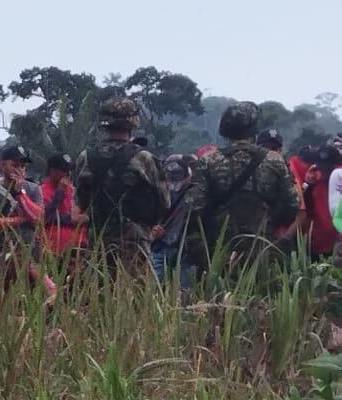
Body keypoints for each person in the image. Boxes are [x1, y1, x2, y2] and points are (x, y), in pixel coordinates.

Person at [186, 102, 298, 273]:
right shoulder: (274, 160)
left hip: (217, 251)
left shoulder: (208, 161)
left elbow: (194, 208)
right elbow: (291, 205)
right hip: (261, 247)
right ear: (254, 130)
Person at [74, 97, 169, 277]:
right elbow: (164, 201)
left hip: (98, 240)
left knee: (98, 289)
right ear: (133, 122)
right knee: (136, 291)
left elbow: (81, 200)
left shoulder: (85, 157)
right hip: (134, 242)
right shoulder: (144, 158)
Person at [150, 155, 195, 284]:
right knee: (153, 285)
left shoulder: (197, 190)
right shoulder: (156, 189)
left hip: (187, 248)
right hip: (161, 245)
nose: (175, 186)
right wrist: (152, 227)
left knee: (185, 288)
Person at [258, 130, 308, 245]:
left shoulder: (289, 176)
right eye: (265, 147)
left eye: (274, 149)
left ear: (280, 151)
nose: (270, 152)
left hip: (277, 236)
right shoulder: (247, 170)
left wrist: (285, 237)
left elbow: (301, 213)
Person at [39, 153, 87, 257]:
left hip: (77, 247)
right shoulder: (41, 191)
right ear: (52, 171)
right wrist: (59, 192)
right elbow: (46, 217)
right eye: (64, 171)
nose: (67, 174)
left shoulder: (71, 190)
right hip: (54, 249)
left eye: (69, 170)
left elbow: (82, 214)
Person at [305, 145, 342, 259]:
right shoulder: (315, 185)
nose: (325, 172)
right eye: (322, 168)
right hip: (319, 247)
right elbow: (307, 211)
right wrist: (307, 185)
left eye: (329, 169)